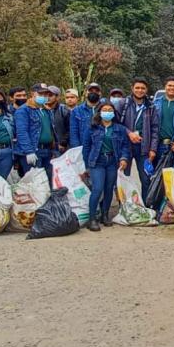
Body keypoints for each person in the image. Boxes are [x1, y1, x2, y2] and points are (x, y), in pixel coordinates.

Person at [82, 101, 129, 231]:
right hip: (97, 161)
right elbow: (86, 147)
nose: (107, 112)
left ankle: (105, 214)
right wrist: (87, 166)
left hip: (112, 161)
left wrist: (124, 158)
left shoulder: (119, 129)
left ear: (114, 113)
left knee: (109, 189)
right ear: (99, 112)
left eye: (110, 110)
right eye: (105, 110)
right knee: (97, 189)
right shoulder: (92, 128)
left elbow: (125, 146)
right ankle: (92, 219)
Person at [119, 77, 159, 203]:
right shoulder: (124, 104)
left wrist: (153, 149)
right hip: (125, 147)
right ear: (132, 88)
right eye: (137, 88)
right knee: (123, 177)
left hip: (144, 148)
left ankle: (145, 206)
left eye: (143, 88)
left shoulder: (151, 107)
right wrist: (129, 133)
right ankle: (124, 205)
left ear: (146, 90)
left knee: (146, 179)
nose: (140, 90)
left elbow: (155, 129)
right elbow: (116, 124)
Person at [14, 83, 56, 181]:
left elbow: (51, 130)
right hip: (34, 151)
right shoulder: (23, 110)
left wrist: (54, 148)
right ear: (33, 93)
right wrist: (29, 151)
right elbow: (22, 132)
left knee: (48, 181)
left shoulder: (47, 110)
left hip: (47, 150)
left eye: (46, 94)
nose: (44, 96)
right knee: (35, 182)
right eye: (41, 94)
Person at [69, 83, 102, 148]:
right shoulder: (76, 111)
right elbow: (74, 133)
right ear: (86, 93)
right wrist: (77, 149)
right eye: (91, 91)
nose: (93, 93)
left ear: (100, 94)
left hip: (101, 148)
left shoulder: (105, 109)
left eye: (96, 91)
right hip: (83, 147)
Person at [46, 85, 70, 153]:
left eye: (50, 95)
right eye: (45, 95)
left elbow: (70, 129)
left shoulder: (64, 110)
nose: (47, 97)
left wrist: (63, 143)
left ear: (57, 97)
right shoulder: (40, 110)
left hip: (61, 147)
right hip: (45, 148)